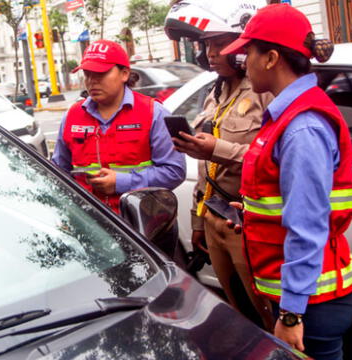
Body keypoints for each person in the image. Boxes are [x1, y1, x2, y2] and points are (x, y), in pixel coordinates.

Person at [221, 4, 352, 359]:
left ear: (271, 58)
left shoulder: (301, 126)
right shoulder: (288, 115)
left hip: (312, 303)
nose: (243, 63)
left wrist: (291, 313)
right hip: (306, 298)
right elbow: (287, 198)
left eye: (247, 53)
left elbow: (308, 225)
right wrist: (252, 213)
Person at [164, 0, 275, 331]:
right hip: (215, 220)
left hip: (247, 223)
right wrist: (198, 221)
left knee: (268, 315)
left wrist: (217, 149)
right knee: (240, 313)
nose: (210, 53)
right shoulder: (215, 90)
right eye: (206, 45)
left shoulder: (263, 91)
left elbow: (269, 157)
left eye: (219, 43)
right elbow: (205, 169)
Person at [51, 39, 186, 215]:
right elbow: (59, 171)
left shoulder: (154, 113)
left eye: (100, 74)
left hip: (140, 225)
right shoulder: (72, 116)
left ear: (124, 74)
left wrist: (121, 182)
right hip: (90, 224)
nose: (91, 81)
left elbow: (174, 171)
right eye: (87, 74)